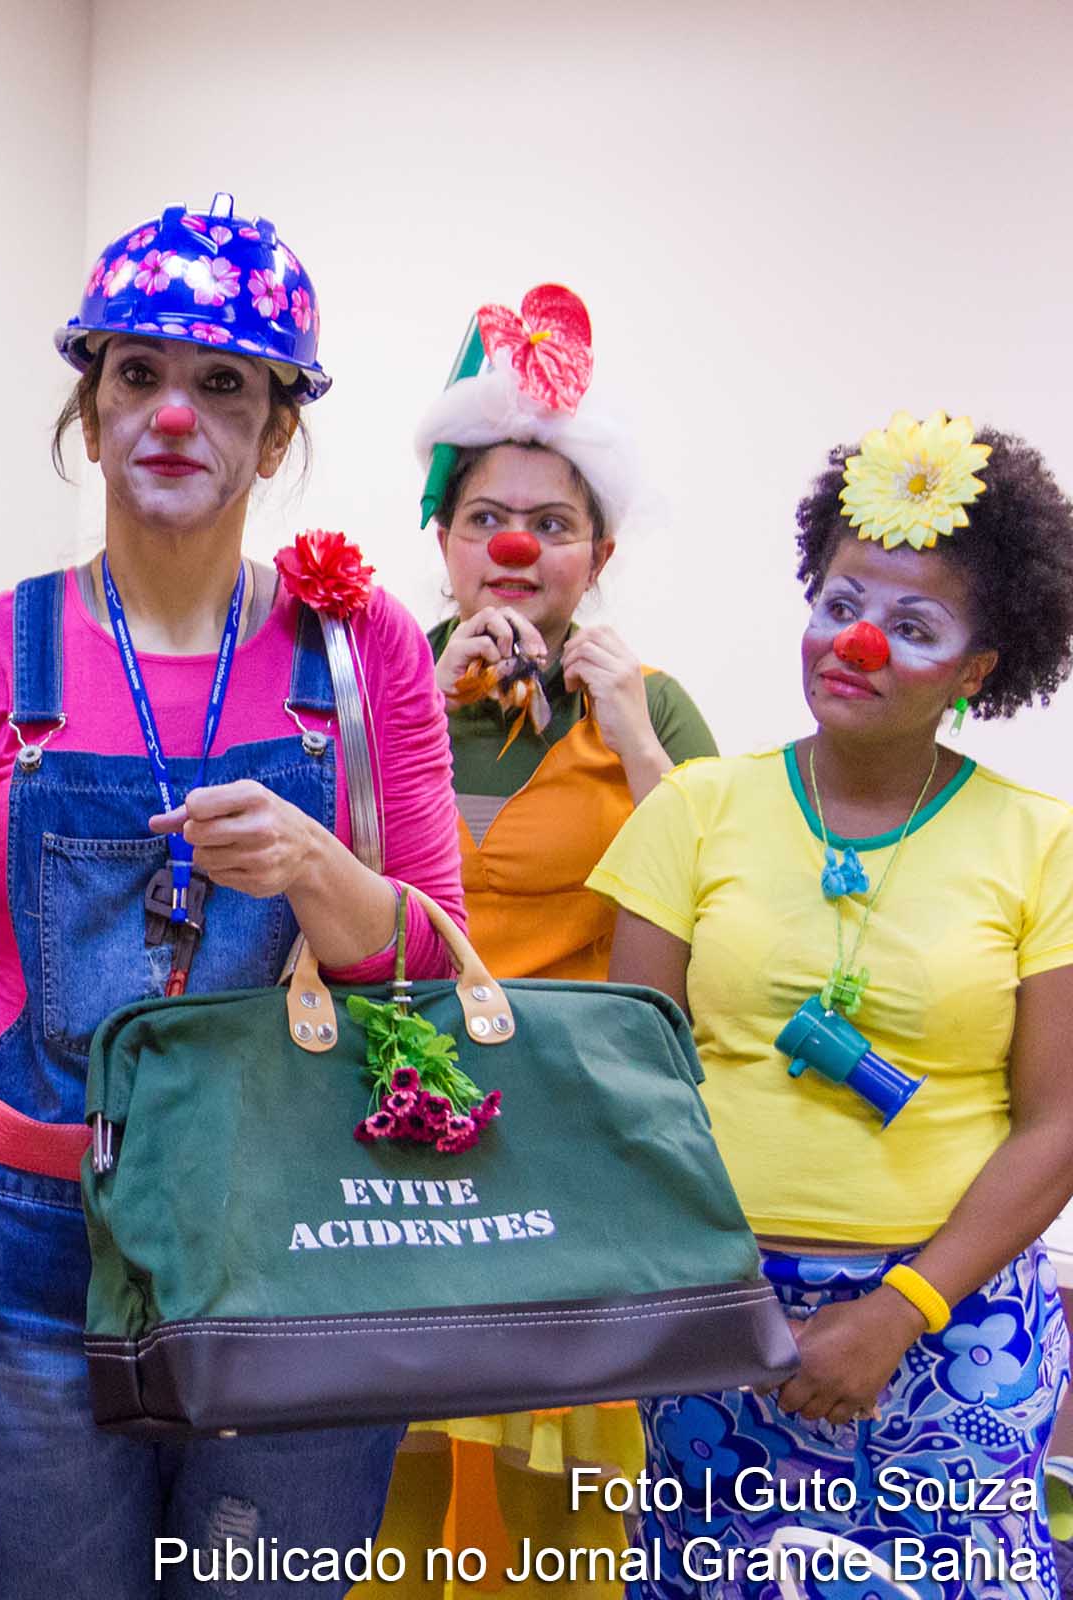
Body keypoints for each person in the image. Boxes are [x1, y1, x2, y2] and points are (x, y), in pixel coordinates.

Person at [0, 194, 465, 1599]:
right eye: (137, 374)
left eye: (221, 384)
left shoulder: (359, 651)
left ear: (278, 431)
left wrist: (316, 869)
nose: (172, 415)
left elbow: (437, 967)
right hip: (16, 1255)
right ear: (93, 404)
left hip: (293, 1243)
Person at [591, 411, 1073, 1597]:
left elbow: (1058, 1123)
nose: (856, 644)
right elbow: (628, 1078)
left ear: (979, 670)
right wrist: (705, 1296)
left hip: (953, 1326)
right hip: (726, 1321)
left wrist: (900, 1311)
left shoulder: (1039, 842)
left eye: (913, 626)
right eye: (841, 603)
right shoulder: (694, 810)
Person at [370, 284, 717, 1598]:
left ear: (599, 551)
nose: (517, 549)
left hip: (563, 1160)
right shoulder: (372, 675)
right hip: (375, 1142)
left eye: (553, 525)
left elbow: (725, 909)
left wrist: (632, 737)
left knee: (562, 1518)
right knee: (376, 1498)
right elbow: (297, 878)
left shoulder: (653, 706)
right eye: (488, 521)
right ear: (445, 540)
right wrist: (410, 702)